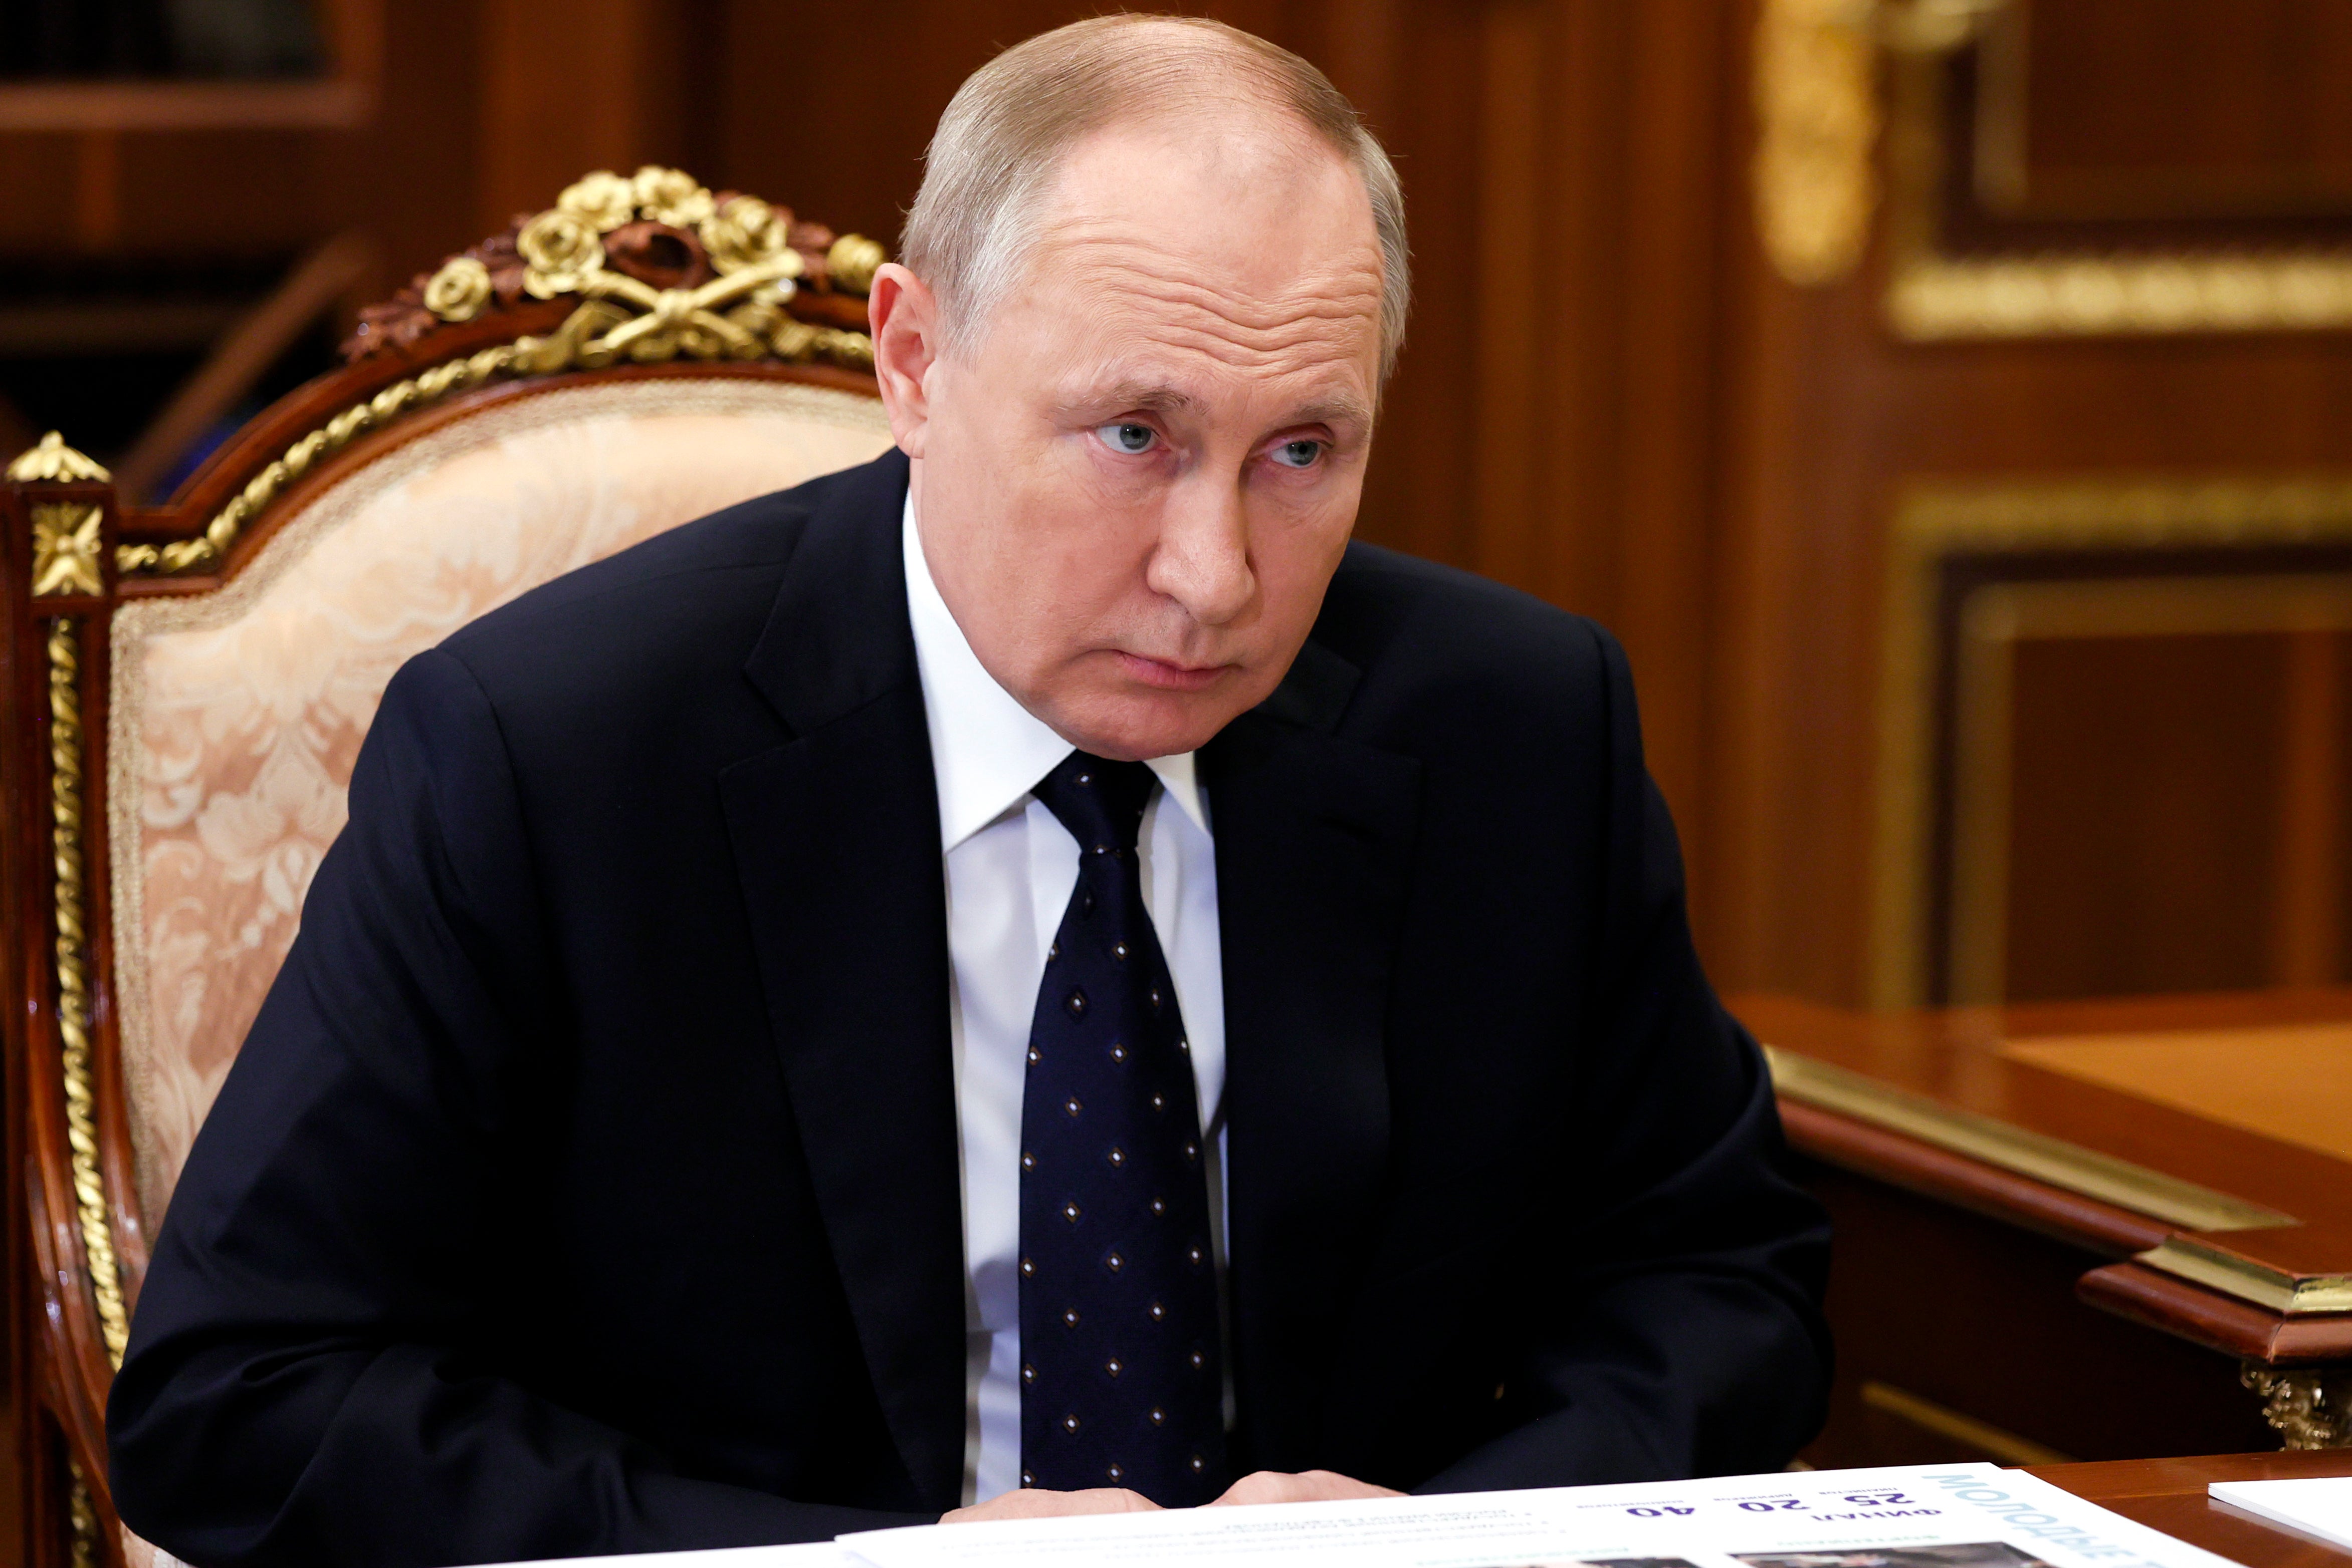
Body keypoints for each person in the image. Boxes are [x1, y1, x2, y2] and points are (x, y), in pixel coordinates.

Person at [107, 16, 1831, 1566]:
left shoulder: (1519, 727)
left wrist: (1453, 1541)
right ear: (914, 361)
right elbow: (242, 1397)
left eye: (1301, 450)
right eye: (1135, 436)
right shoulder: (550, 753)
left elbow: (1724, 1282)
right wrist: (881, 1565)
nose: (1216, 575)